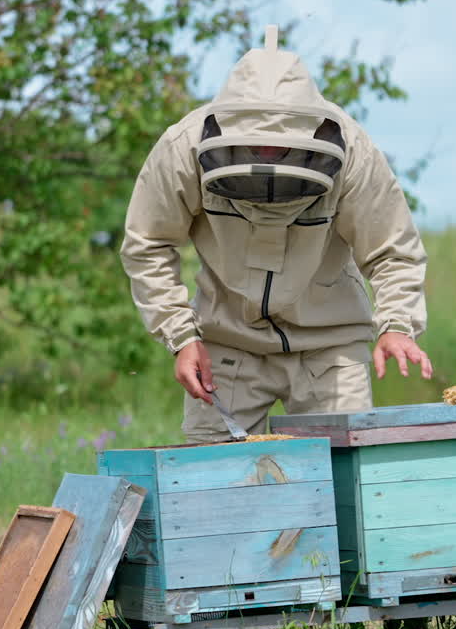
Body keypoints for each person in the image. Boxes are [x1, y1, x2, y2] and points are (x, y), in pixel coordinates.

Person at [121, 25, 432, 452]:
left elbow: (391, 248)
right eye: (256, 145)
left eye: (281, 146)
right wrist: (181, 336)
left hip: (331, 346)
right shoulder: (183, 147)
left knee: (346, 485)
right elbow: (148, 242)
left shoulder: (352, 148)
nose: (267, 154)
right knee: (212, 482)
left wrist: (397, 324)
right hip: (227, 347)